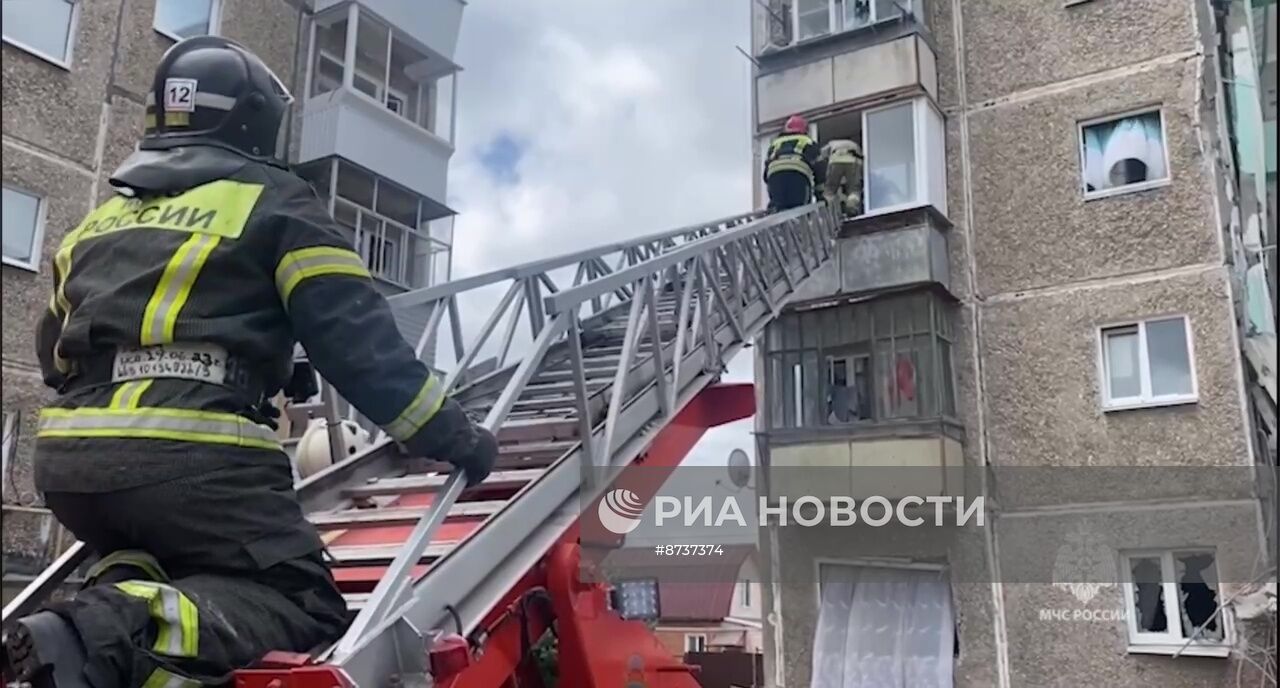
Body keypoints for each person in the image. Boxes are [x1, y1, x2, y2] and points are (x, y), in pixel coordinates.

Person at [4, 36, 497, 688]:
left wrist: (240, 362)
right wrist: (456, 439)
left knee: (159, 570)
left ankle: (103, 619)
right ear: (257, 122)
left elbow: (55, 357)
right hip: (189, 462)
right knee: (304, 604)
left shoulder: (98, 223)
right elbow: (362, 350)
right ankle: (105, 629)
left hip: (71, 468)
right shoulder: (279, 203)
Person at [763, 115, 821, 211]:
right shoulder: (808, 141)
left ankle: (775, 209)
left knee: (778, 208)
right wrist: (820, 195)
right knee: (800, 210)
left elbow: (766, 173)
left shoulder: (775, 143)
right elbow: (819, 168)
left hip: (775, 176)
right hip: (797, 176)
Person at [819, 137, 864, 217]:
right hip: (853, 160)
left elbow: (821, 155)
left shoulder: (831, 143)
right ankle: (852, 206)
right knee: (854, 189)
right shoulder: (854, 144)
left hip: (835, 159)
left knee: (830, 189)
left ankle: (829, 210)